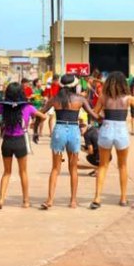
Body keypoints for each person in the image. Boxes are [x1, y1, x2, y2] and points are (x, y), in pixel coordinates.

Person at [39, 74, 99, 209]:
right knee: (73, 168)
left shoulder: (55, 99)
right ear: (75, 86)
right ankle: (73, 201)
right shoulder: (80, 99)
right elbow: (93, 115)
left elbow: (41, 113)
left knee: (55, 168)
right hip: (73, 131)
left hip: (59, 130)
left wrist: (35, 126)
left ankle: (50, 200)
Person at [0, 82, 47, 209]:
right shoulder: (28, 107)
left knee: (7, 172)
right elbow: (43, 116)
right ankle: (26, 201)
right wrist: (33, 124)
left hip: (7, 141)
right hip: (20, 141)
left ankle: (1, 199)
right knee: (23, 172)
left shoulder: (2, 107)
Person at [90, 71, 134, 209]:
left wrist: (101, 118)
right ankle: (123, 198)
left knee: (102, 166)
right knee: (123, 166)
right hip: (121, 131)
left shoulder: (103, 97)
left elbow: (93, 114)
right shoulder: (129, 98)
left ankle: (97, 198)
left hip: (106, 129)